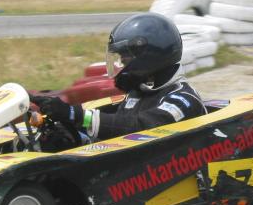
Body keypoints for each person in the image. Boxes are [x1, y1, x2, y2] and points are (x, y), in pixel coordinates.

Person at [32, 13, 206, 143]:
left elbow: (142, 129)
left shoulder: (183, 100)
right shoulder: (139, 93)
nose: (121, 63)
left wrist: (76, 114)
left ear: (149, 56)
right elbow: (115, 130)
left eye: (125, 57)